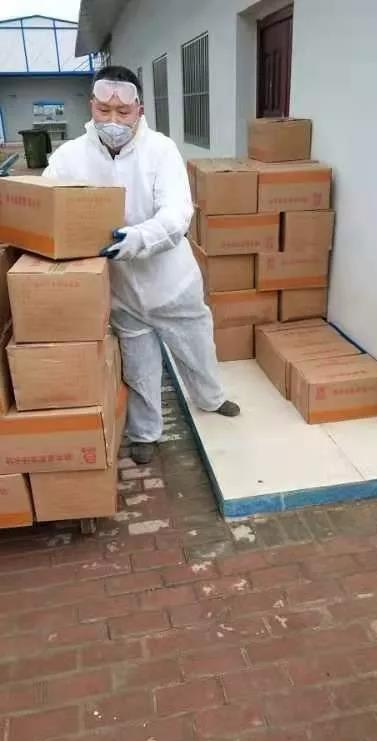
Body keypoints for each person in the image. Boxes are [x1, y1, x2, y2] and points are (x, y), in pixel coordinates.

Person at [44, 65, 240, 464]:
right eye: (104, 110)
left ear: (140, 110)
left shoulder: (161, 150)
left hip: (171, 282)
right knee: (139, 366)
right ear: (91, 106)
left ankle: (211, 398)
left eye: (123, 111)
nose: (113, 121)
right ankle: (146, 433)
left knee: (197, 349)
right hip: (121, 288)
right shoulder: (69, 158)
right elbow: (46, 205)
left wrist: (138, 238)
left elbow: (177, 213)